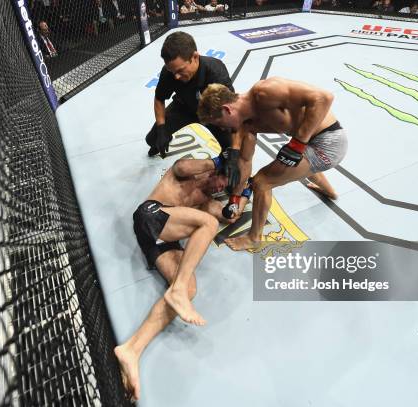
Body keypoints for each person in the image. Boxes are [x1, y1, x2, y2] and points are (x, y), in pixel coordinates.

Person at [115, 158, 249, 401]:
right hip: (150, 214)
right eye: (223, 181)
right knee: (208, 223)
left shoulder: (207, 204)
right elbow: (181, 166)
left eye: (226, 188)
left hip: (160, 240)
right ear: (218, 171)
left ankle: (131, 350)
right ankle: (175, 292)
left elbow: (231, 215)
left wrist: (242, 192)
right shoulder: (192, 173)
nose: (221, 188)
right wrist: (219, 160)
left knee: (188, 288)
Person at [197, 77, 348, 250]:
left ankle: (254, 238)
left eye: (219, 123)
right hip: (310, 143)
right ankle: (330, 192)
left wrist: (298, 143)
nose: (222, 129)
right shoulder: (246, 127)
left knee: (262, 182)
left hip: (330, 142)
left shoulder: (266, 91)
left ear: (227, 110)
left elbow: (324, 97)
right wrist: (234, 198)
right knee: (289, 159)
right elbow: (245, 163)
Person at [145, 31, 234, 158]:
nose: (176, 76)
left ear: (195, 57)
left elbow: (230, 108)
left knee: (230, 150)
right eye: (172, 71)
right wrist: (161, 129)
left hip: (211, 113)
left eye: (180, 70)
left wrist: (233, 150)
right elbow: (159, 98)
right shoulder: (169, 72)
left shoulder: (215, 71)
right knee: (151, 139)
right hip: (183, 107)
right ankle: (159, 141)